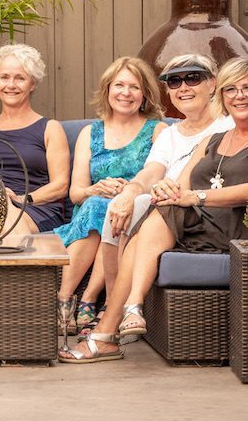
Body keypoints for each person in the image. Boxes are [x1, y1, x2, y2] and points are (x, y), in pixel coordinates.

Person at [65, 57, 248, 363]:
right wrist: (166, 190)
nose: (239, 96)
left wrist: (193, 197)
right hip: (201, 225)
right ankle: (127, 314)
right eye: (231, 90)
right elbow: (180, 181)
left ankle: (115, 323)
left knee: (159, 215)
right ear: (222, 96)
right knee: (157, 210)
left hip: (242, 225)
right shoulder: (215, 139)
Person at [53, 56, 166, 339]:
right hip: (90, 214)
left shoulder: (157, 131)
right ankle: (80, 300)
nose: (126, 93)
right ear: (107, 90)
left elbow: (161, 177)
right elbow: (76, 193)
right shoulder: (90, 133)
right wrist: (95, 188)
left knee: (110, 207)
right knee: (96, 205)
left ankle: (73, 299)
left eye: (134, 87)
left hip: (135, 213)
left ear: (144, 95)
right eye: (119, 85)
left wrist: (128, 191)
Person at [0, 44, 70, 236]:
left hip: (35, 207)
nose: (11, 85)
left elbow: (60, 185)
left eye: (20, 78)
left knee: (6, 216)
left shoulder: (50, 128)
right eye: (4, 77)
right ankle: (23, 265)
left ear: (32, 84)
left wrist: (22, 199)